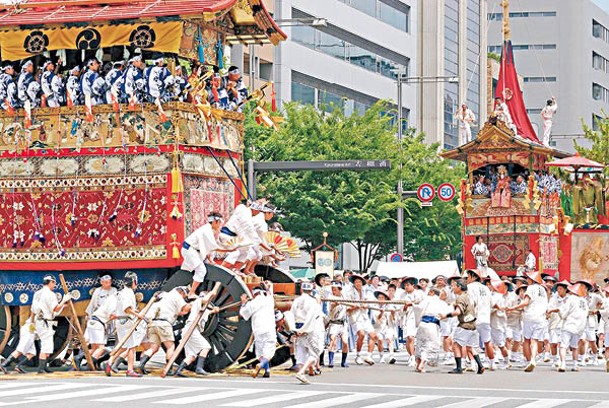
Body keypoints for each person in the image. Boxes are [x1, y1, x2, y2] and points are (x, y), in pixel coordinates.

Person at [139, 286, 191, 375]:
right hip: (164, 324)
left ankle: (142, 365)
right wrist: (195, 303)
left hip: (153, 323)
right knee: (170, 347)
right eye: (184, 296)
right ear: (182, 293)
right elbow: (186, 308)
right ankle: (169, 368)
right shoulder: (176, 295)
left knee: (153, 348)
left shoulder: (163, 295)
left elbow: (174, 310)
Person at [104, 271, 146, 377]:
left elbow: (128, 309)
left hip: (121, 321)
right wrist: (138, 315)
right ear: (134, 282)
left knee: (123, 346)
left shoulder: (123, 292)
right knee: (131, 347)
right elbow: (127, 309)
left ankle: (109, 362)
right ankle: (130, 370)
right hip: (126, 321)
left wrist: (136, 313)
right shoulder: (128, 293)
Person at [439, 279, 485, 374]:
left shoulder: (460, 298)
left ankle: (459, 367)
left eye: (454, 286)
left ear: (459, 287)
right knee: (470, 347)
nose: (453, 288)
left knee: (456, 345)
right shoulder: (470, 296)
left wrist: (445, 315)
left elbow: (458, 312)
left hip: (464, 325)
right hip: (473, 325)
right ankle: (480, 365)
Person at [507, 271, 548, 372]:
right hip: (541, 318)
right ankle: (533, 359)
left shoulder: (530, 288)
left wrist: (513, 308)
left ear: (531, 280)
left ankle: (528, 360)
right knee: (534, 340)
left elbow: (525, 302)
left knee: (526, 340)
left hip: (530, 317)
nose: (527, 280)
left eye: (528, 278)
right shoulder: (543, 290)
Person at [174, 288, 220, 377]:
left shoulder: (202, 308)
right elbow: (204, 300)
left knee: (192, 355)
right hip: (192, 329)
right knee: (206, 347)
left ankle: (179, 370)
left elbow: (206, 312)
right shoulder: (198, 301)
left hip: (189, 330)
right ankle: (199, 368)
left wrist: (214, 311)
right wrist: (212, 292)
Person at [75, 275, 118, 369]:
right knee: (100, 347)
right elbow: (93, 304)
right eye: (105, 282)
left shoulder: (113, 291)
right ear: (101, 282)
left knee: (95, 347)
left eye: (109, 282)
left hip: (101, 321)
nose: (108, 284)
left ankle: (86, 362)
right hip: (100, 320)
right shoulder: (107, 296)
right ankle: (82, 360)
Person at [31, 275, 72, 374]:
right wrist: (64, 300)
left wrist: (32, 322)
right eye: (54, 283)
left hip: (38, 320)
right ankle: (41, 368)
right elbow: (56, 309)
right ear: (50, 282)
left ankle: (44, 367)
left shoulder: (37, 293)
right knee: (46, 345)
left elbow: (32, 309)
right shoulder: (50, 294)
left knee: (48, 345)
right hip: (44, 322)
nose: (54, 285)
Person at [181, 212, 224, 298]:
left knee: (202, 268)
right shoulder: (206, 231)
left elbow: (207, 247)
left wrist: (210, 260)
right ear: (215, 222)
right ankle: (191, 293)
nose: (220, 225)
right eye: (219, 223)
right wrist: (231, 249)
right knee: (201, 270)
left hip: (194, 251)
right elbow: (214, 247)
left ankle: (192, 289)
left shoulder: (209, 229)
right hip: (190, 250)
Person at [240, 282, 276, 378]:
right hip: (269, 329)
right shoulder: (269, 300)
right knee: (269, 351)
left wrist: (243, 303)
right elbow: (269, 293)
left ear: (253, 294)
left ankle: (267, 370)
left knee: (260, 352)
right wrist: (268, 287)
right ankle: (261, 365)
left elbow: (243, 314)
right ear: (261, 293)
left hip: (258, 330)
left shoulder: (252, 303)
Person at [291, 282, 325, 384]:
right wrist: (304, 329)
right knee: (315, 351)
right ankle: (301, 372)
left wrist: (295, 330)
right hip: (310, 329)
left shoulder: (296, 300)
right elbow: (311, 317)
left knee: (301, 352)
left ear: (301, 290)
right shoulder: (312, 301)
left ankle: (302, 374)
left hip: (298, 326)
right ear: (311, 291)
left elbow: (291, 314)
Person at [414, 287, 451, 372]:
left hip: (422, 324)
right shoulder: (442, 303)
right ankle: (422, 363)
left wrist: (413, 306)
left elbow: (419, 308)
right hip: (432, 325)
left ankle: (418, 363)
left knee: (420, 344)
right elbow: (446, 317)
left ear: (432, 292)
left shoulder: (427, 300)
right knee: (430, 345)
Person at [554, 283, 588, 372]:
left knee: (563, 346)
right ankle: (575, 365)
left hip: (569, 325)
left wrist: (559, 312)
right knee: (575, 347)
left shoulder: (571, 299)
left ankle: (563, 364)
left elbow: (564, 313)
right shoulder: (584, 301)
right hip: (579, 328)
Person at [345, 273, 377, 366]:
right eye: (356, 282)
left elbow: (371, 302)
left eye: (359, 282)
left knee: (373, 335)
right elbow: (346, 306)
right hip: (355, 316)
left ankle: (369, 355)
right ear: (353, 283)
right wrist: (354, 307)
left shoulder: (366, 291)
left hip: (364, 316)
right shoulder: (349, 292)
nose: (358, 284)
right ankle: (358, 355)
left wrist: (366, 305)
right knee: (361, 334)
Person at [465, 270, 494, 369]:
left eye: (468, 277)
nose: (466, 279)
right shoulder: (486, 288)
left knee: (469, 343)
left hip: (474, 318)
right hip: (485, 318)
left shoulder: (469, 287)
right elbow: (491, 303)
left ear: (473, 277)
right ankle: (492, 363)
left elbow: (471, 303)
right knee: (487, 341)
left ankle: (473, 364)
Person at [399, 276, 425, 366]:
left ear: (413, 285)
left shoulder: (420, 294)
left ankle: (418, 356)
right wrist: (405, 307)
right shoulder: (403, 296)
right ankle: (412, 356)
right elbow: (400, 310)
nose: (406, 287)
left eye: (408, 285)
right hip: (408, 318)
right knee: (409, 337)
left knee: (419, 339)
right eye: (405, 285)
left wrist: (413, 304)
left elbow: (424, 304)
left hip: (419, 317)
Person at [326, 281, 350, 368]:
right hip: (334, 323)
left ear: (340, 290)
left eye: (335, 289)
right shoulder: (331, 297)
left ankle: (343, 362)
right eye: (332, 289)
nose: (333, 291)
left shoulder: (344, 296)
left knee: (345, 342)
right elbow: (331, 307)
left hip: (343, 323)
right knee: (333, 341)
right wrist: (335, 304)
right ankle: (331, 361)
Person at [372, 290, 398, 364]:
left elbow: (394, 319)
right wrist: (381, 313)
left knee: (389, 339)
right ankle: (381, 356)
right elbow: (376, 319)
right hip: (379, 326)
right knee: (380, 340)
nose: (380, 299)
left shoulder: (390, 306)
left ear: (386, 298)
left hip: (388, 326)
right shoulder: (375, 306)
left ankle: (391, 356)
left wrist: (393, 314)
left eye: (382, 297)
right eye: (379, 297)